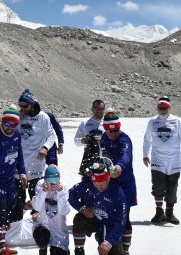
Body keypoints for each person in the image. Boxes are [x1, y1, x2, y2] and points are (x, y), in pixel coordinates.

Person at [141, 96, 181, 224]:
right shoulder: (152, 122)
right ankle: (159, 212)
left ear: (169, 108)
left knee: (172, 187)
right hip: (157, 159)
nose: (162, 110)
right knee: (158, 186)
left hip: (174, 160)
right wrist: (145, 154)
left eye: (164, 108)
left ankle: (169, 213)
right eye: (160, 108)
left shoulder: (177, 121)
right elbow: (147, 139)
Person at [0, 108, 28, 255]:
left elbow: (19, 155)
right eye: (8, 124)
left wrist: (22, 173)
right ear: (2, 122)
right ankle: (2, 249)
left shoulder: (16, 135)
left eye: (14, 125)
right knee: (1, 212)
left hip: (10, 181)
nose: (11, 128)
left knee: (9, 212)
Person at [98, 109, 136, 254]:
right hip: (109, 184)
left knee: (125, 218)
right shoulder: (104, 138)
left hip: (125, 183)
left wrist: (119, 166)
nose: (113, 133)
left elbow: (126, 155)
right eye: (110, 131)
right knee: (110, 217)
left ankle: (125, 250)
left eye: (116, 130)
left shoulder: (124, 140)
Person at [68, 162, 127, 255]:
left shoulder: (117, 192)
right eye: (96, 184)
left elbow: (121, 221)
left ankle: (105, 241)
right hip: (93, 221)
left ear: (108, 179)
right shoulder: (87, 185)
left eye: (102, 184)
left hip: (110, 228)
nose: (99, 187)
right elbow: (70, 194)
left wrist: (109, 241)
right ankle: (79, 251)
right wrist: (81, 208)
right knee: (79, 219)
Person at [17, 89, 57, 220]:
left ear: (32, 105)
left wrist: (45, 148)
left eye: (25, 106)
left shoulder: (42, 117)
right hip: (20, 164)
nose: (22, 108)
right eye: (20, 105)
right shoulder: (19, 117)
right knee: (19, 197)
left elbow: (51, 136)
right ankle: (16, 223)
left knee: (36, 197)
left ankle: (37, 225)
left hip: (36, 163)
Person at [31, 165, 72, 255]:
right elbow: (36, 207)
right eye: (50, 182)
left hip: (59, 230)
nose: (52, 185)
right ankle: (43, 248)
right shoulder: (41, 184)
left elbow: (64, 211)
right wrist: (43, 191)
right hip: (43, 226)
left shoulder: (63, 186)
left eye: (55, 182)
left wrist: (61, 193)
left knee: (59, 251)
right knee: (41, 236)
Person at [74, 100, 106, 179]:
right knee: (87, 182)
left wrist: (103, 140)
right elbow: (76, 141)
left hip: (104, 158)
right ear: (92, 109)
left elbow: (115, 140)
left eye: (101, 108)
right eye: (97, 108)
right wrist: (83, 140)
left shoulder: (107, 122)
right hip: (89, 158)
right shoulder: (85, 123)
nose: (99, 110)